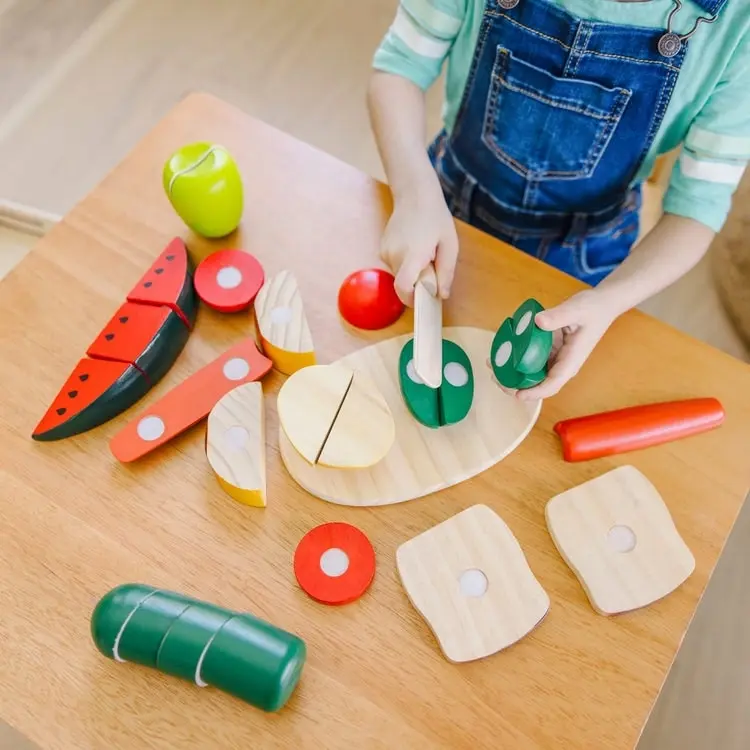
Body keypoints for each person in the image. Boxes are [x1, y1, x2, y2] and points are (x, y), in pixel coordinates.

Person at [367, 0, 750, 399]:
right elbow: (399, 68)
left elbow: (697, 208)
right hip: (442, 207)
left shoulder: (739, 27)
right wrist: (414, 195)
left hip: (587, 255)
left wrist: (608, 302)